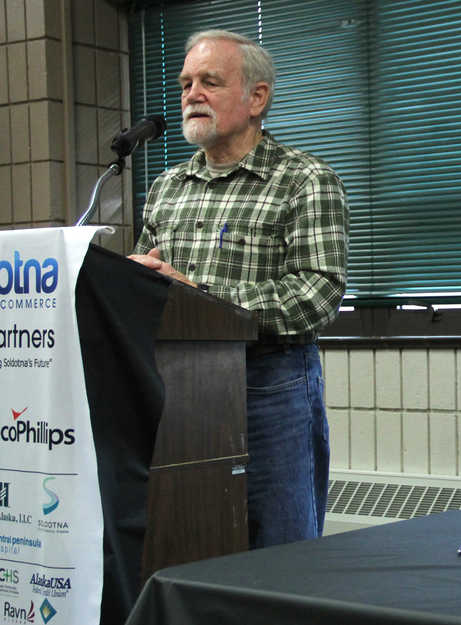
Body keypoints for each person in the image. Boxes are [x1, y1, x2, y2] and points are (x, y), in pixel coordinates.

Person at [129, 30, 348, 548]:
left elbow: (317, 294)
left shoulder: (304, 179)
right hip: (179, 389)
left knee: (280, 551)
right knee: (190, 543)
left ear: (257, 98)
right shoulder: (166, 187)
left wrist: (199, 294)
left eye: (209, 81)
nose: (191, 95)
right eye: (185, 84)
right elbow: (151, 282)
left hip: (270, 390)